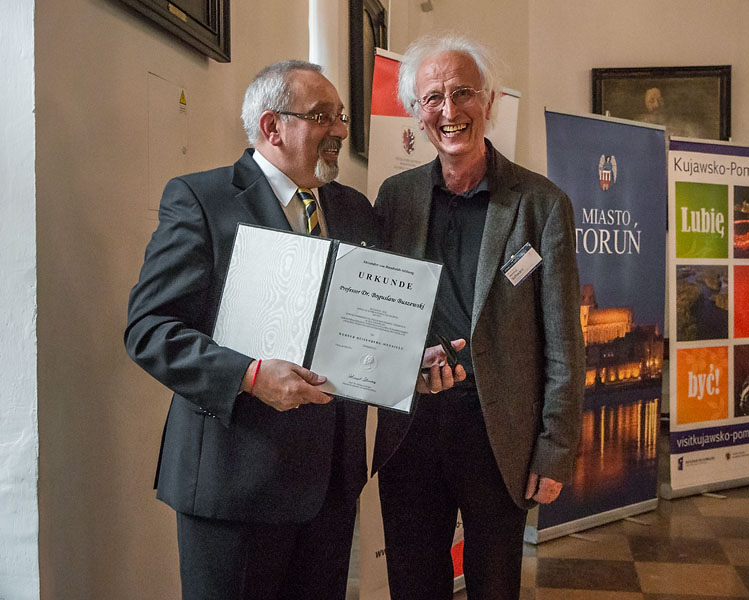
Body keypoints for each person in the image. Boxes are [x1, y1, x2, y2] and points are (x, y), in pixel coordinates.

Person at [124, 60, 459, 600]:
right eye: (323, 116)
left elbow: (356, 326)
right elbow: (149, 330)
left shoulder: (353, 209)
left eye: (341, 116)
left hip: (330, 488)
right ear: (272, 127)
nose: (341, 130)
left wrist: (402, 365)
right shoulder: (202, 200)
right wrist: (250, 375)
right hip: (234, 485)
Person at [371, 34, 586, 600]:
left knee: (494, 585)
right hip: (412, 427)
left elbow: (564, 341)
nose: (449, 110)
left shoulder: (541, 204)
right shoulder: (395, 198)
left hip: (499, 435)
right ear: (416, 112)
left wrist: (554, 449)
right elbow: (376, 313)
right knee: (413, 584)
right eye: (432, 98)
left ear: (488, 102)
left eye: (462, 93)